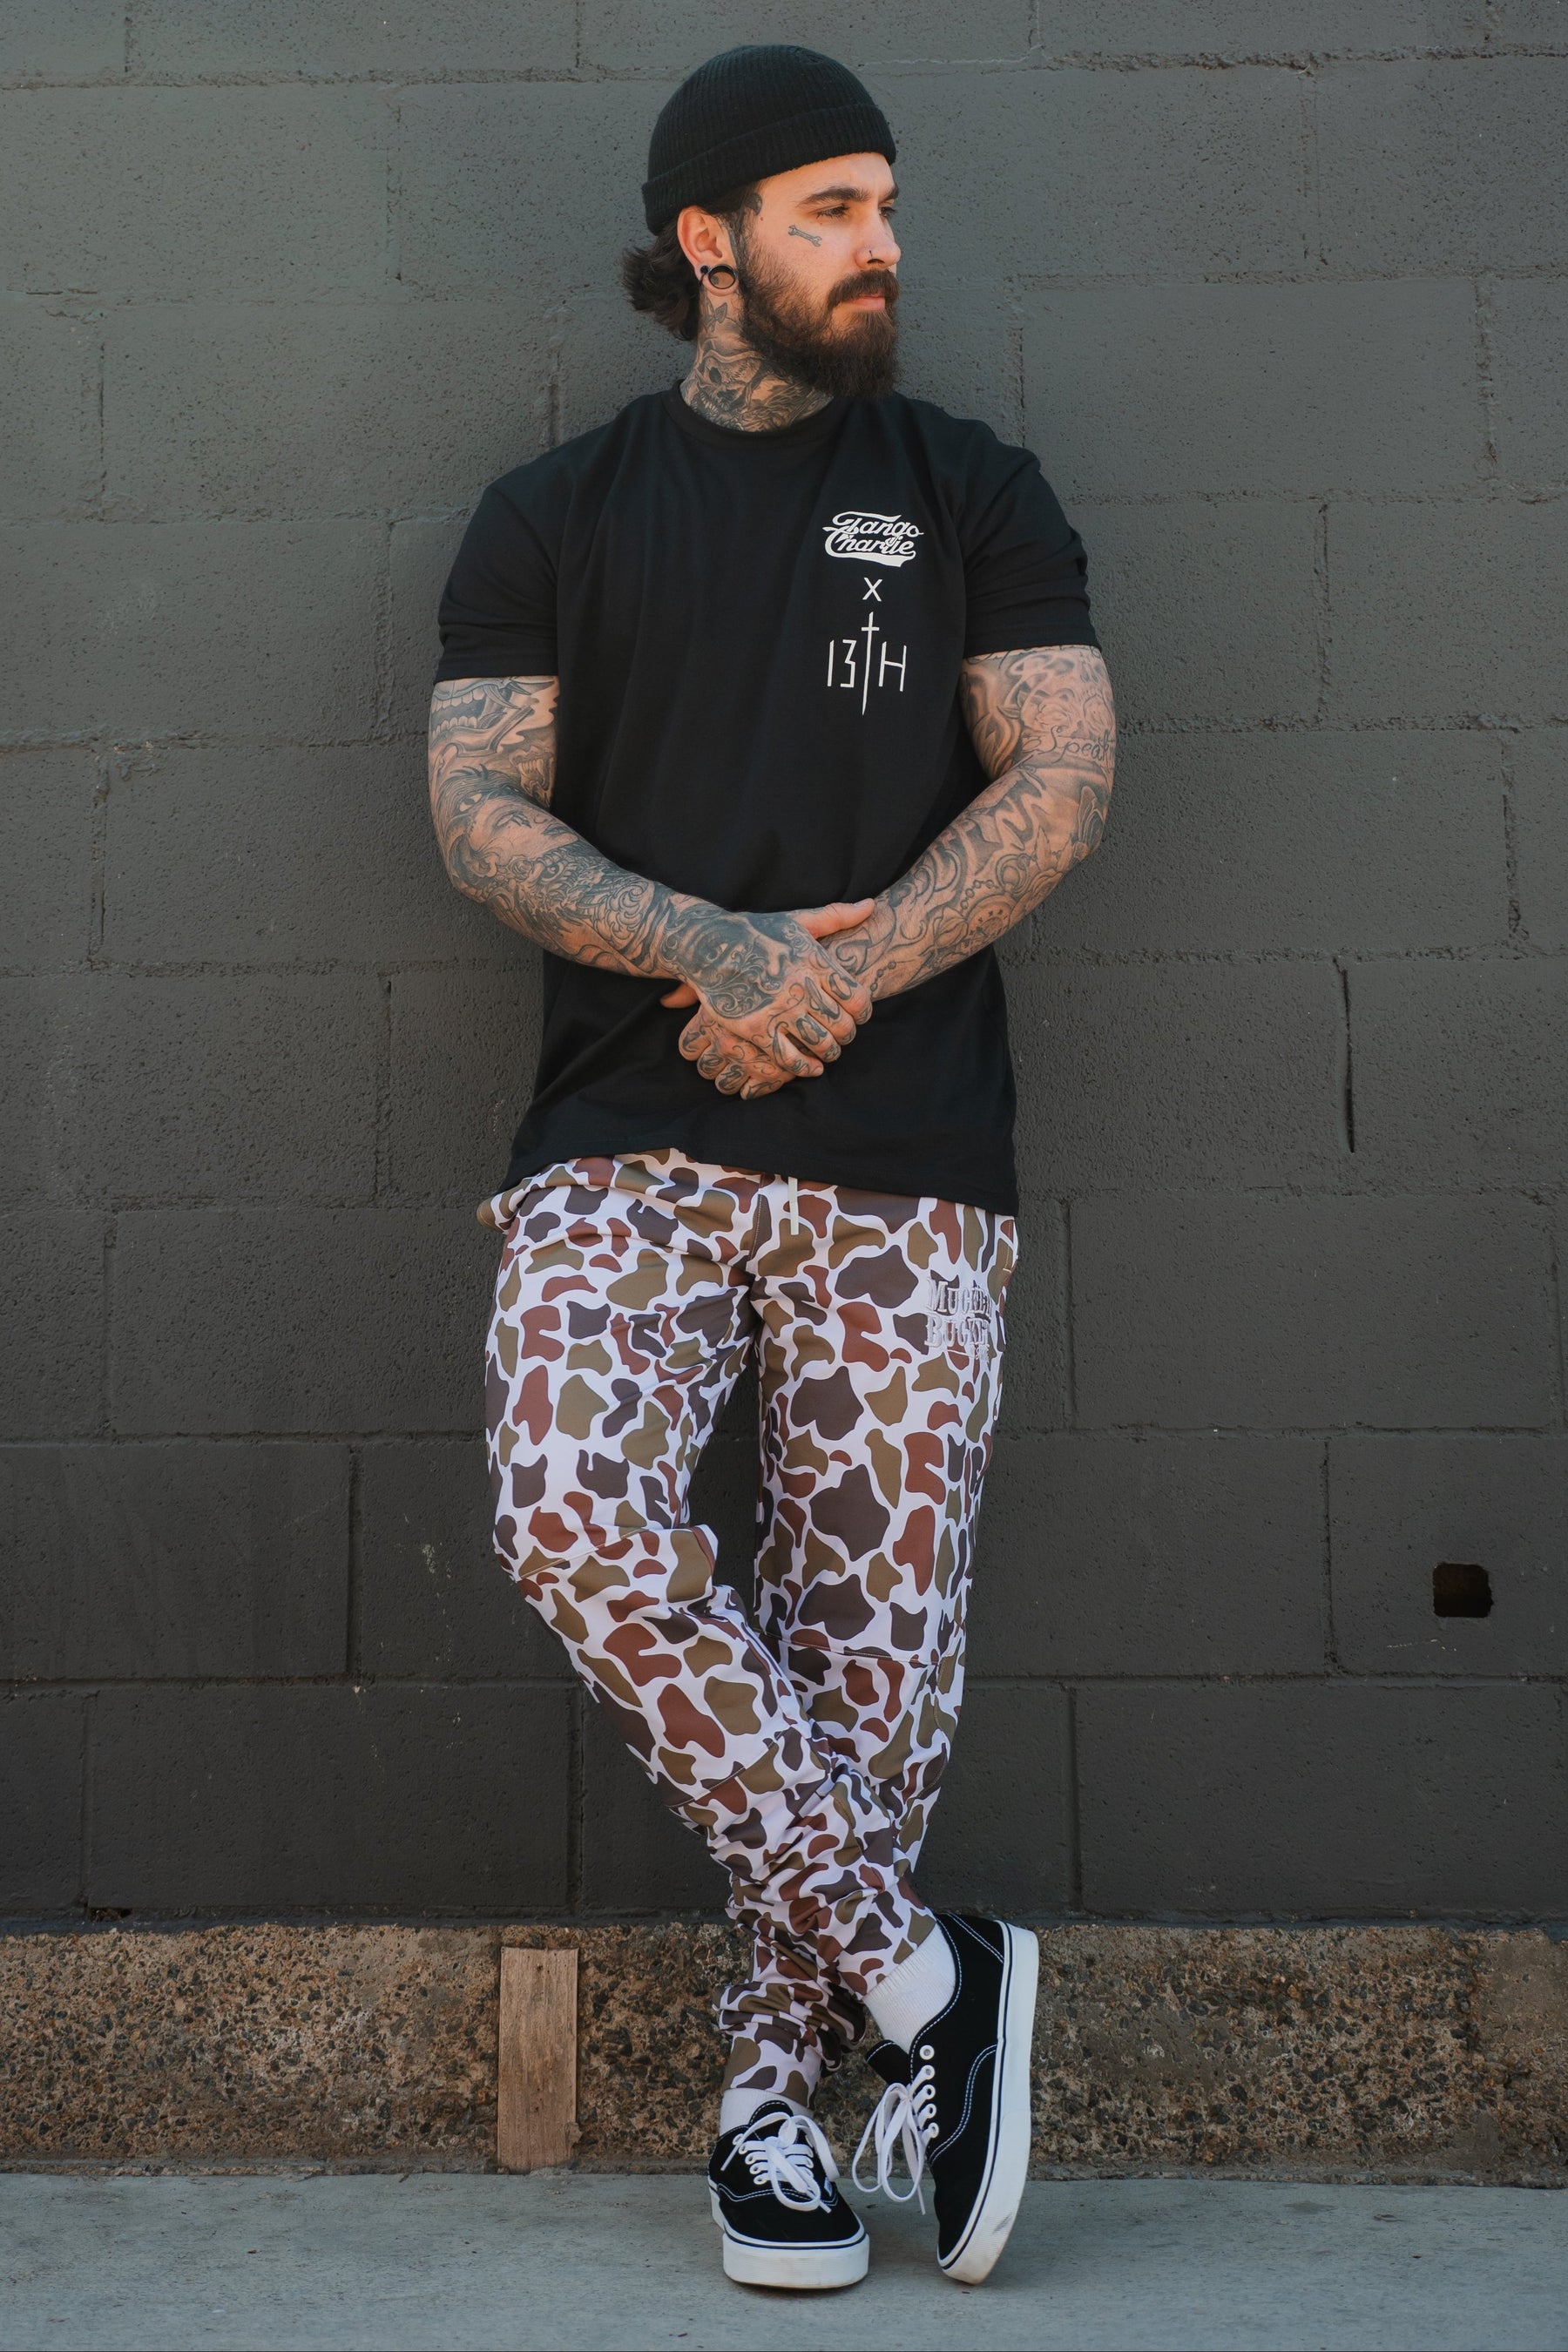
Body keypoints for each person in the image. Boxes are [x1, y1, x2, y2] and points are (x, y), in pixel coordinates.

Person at [428, 43, 1114, 2293]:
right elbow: (479, 811)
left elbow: (1063, 778)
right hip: (624, 1131)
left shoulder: (971, 485)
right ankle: (927, 1974)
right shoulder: (554, 514)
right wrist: (708, 945)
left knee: (866, 1658)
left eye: (885, 202)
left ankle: (778, 2103)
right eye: (832, 207)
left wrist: (842, 969)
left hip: (907, 1151)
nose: (881, 243)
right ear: (706, 239)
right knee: (567, 1505)